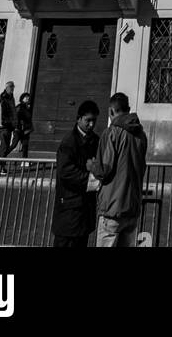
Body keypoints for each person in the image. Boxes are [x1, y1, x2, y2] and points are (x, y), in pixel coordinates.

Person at [89, 92, 148, 248]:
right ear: (128, 109)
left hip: (112, 208)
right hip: (132, 207)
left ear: (111, 111)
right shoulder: (140, 135)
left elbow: (104, 169)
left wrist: (92, 166)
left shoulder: (111, 133)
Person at [51, 100, 102, 249]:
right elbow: (65, 171)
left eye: (94, 121)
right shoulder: (69, 142)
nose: (91, 125)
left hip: (85, 208)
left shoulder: (96, 140)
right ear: (78, 119)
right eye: (88, 120)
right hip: (69, 207)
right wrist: (91, 180)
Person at [0, 80, 17, 157]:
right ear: (7, 88)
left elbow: (13, 112)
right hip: (3, 127)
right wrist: (5, 122)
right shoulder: (3, 99)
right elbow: (0, 113)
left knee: (5, 147)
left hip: (8, 127)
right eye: (11, 87)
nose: (12, 89)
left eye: (13, 87)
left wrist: (14, 124)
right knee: (4, 147)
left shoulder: (11, 98)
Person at [15, 92, 34, 158]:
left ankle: (24, 161)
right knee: (13, 145)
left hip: (26, 130)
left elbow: (28, 119)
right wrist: (18, 127)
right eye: (26, 97)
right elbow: (16, 118)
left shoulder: (27, 108)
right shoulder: (19, 107)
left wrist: (30, 127)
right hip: (19, 130)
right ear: (22, 98)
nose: (28, 98)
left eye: (28, 97)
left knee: (25, 145)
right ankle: (2, 157)